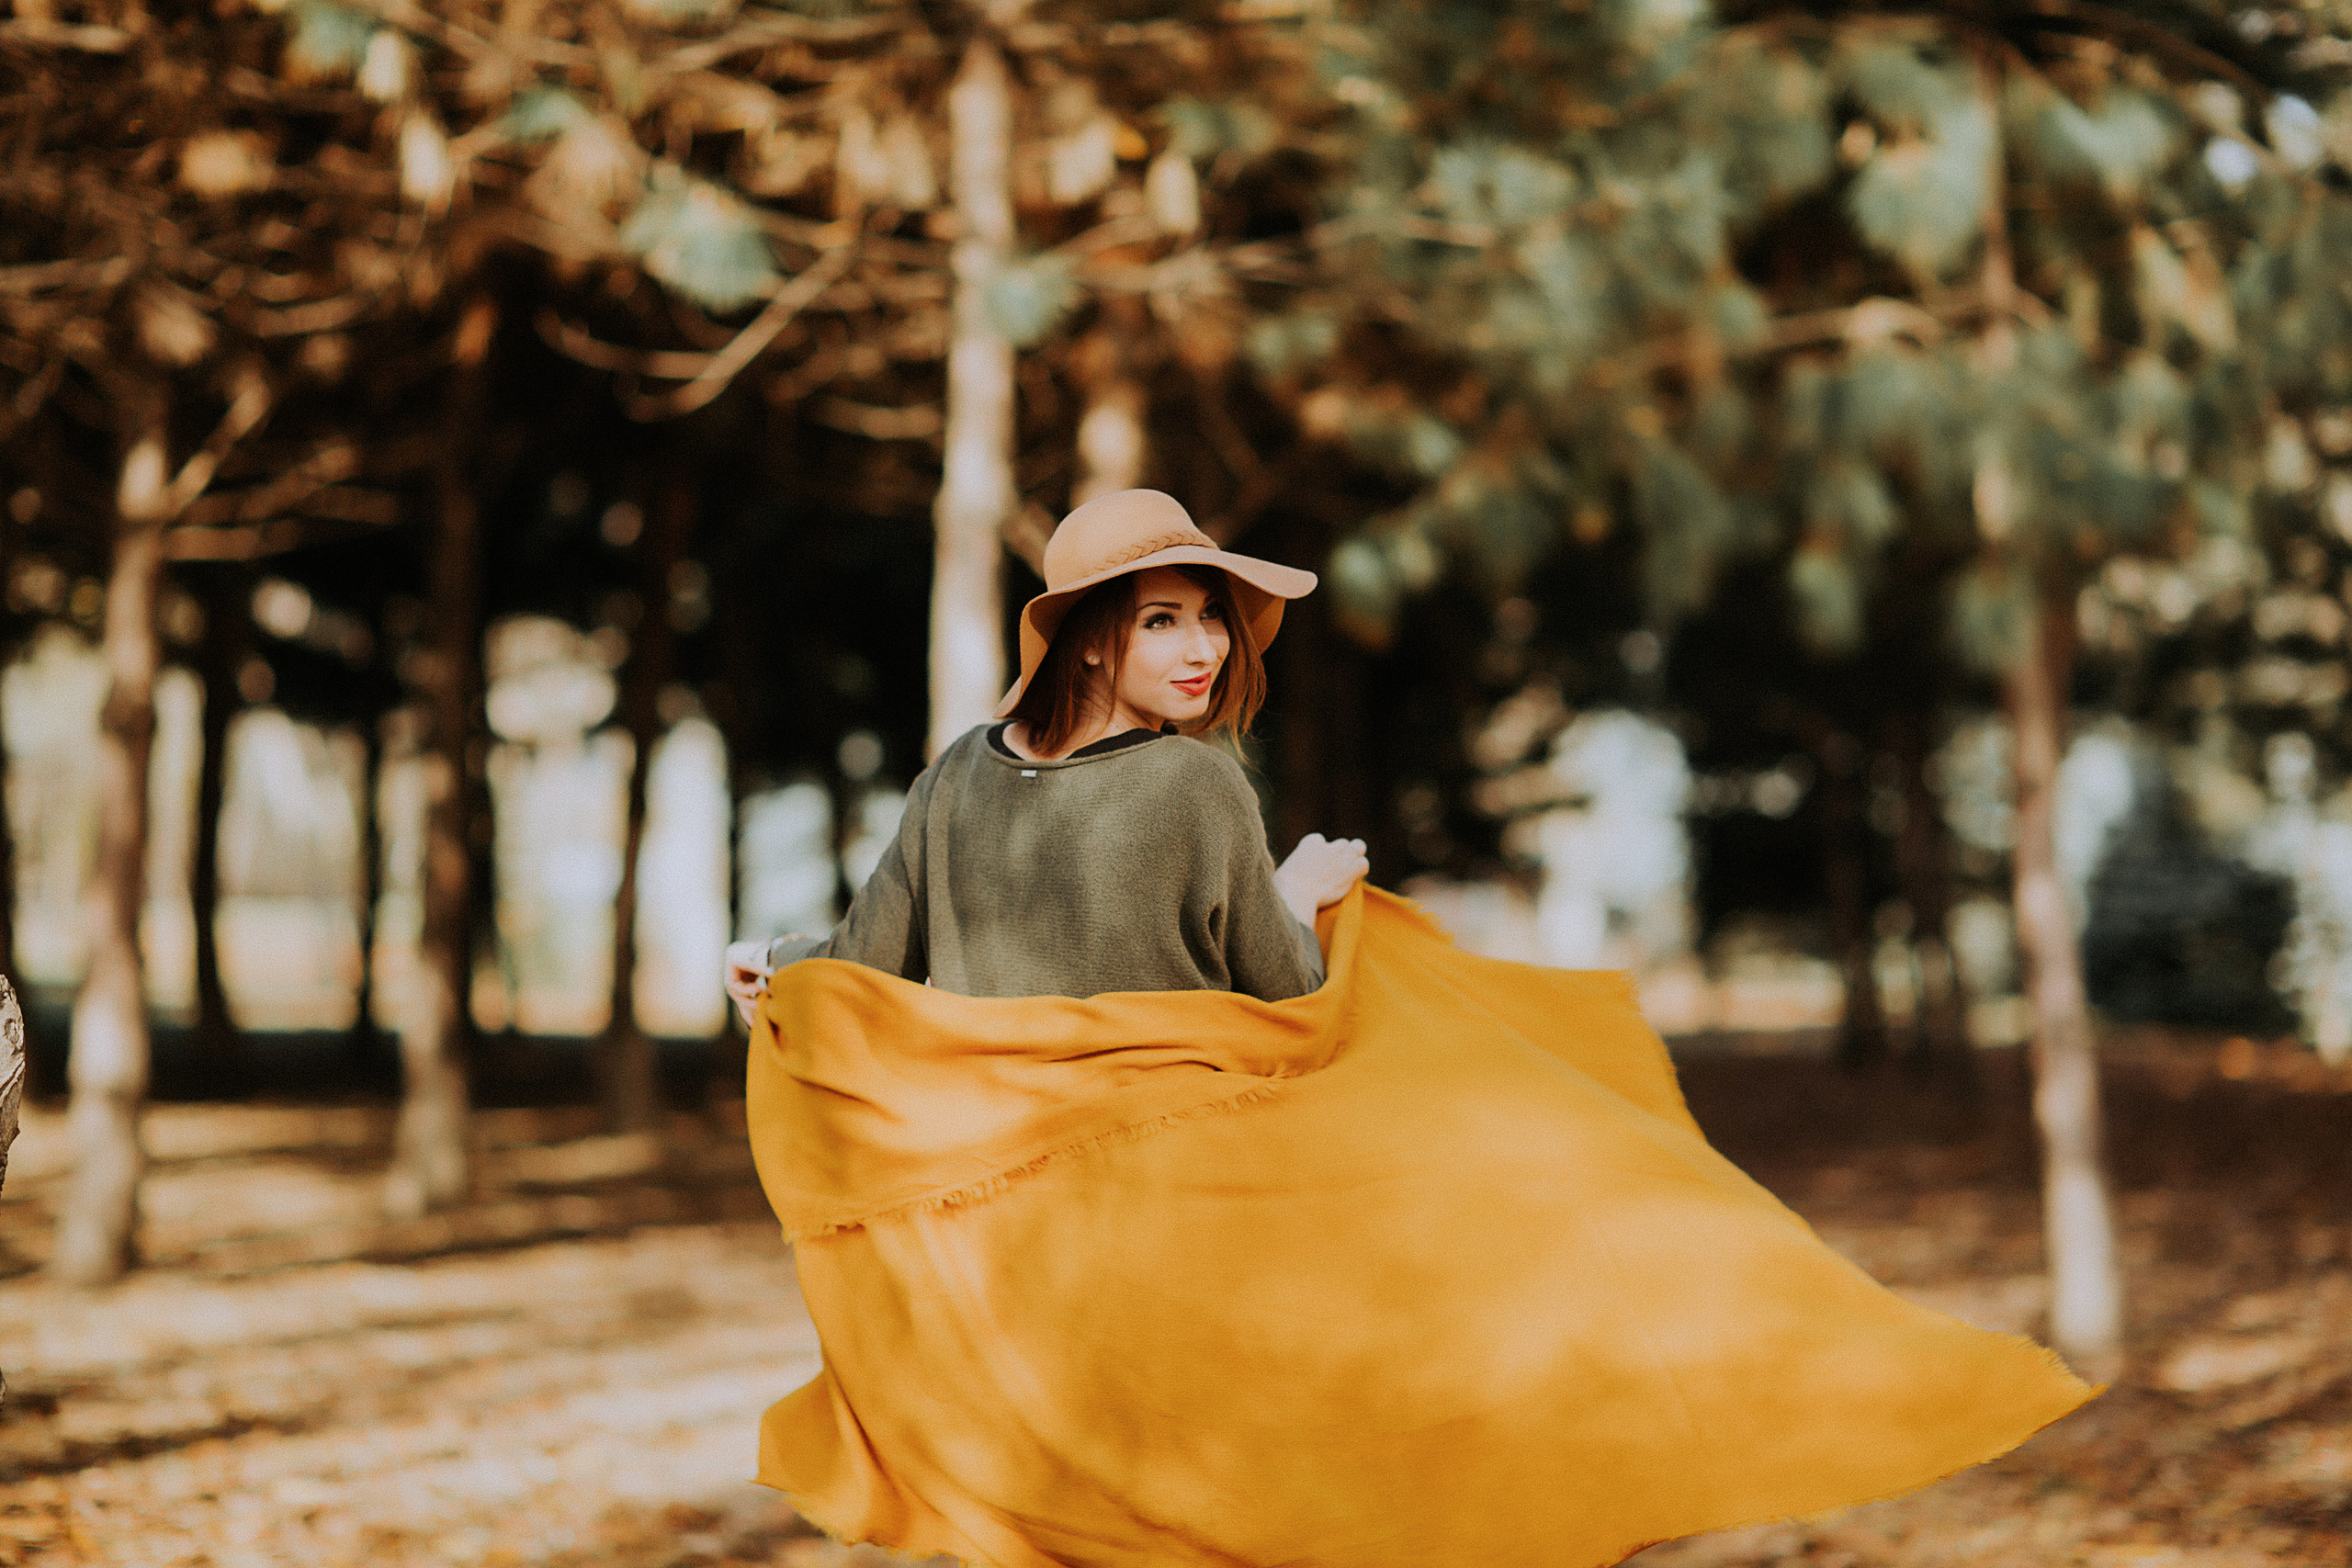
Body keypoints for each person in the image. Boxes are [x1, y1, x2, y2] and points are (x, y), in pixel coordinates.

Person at [728, 490, 2095, 1568]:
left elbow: (868, 964)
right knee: (1221, 1507)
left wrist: (772, 971)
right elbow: (1276, 997)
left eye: (1211, 618)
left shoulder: (958, 773)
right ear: (1089, 631)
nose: (1203, 646)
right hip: (1156, 1220)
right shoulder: (1198, 793)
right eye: (1163, 619)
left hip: (1006, 1244)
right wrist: (1301, 893)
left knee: (1080, 1513)